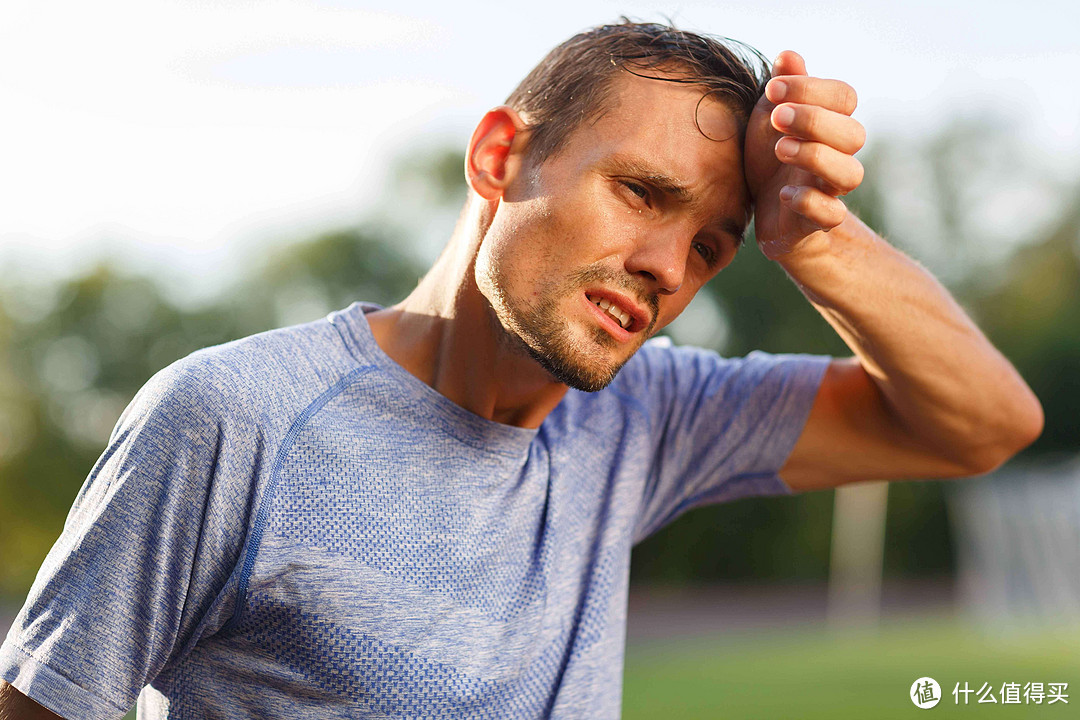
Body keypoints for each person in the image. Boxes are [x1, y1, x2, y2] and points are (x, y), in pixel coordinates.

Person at [0, 20, 1042, 720]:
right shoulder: (234, 415)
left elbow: (982, 424)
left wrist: (816, 242)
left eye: (712, 246)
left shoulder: (649, 417)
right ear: (500, 156)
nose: (667, 267)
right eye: (641, 192)